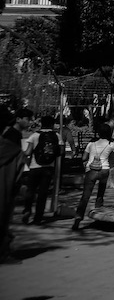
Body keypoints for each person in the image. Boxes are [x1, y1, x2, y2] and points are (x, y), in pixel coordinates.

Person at [0, 108, 33, 262]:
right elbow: (17, 167)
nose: (30, 122)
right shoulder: (12, 142)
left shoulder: (11, 137)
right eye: (27, 118)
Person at [21, 115, 62, 225]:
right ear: (52, 124)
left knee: (31, 190)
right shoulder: (57, 136)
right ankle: (38, 217)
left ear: (41, 124)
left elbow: (28, 152)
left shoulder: (34, 135)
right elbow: (61, 152)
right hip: (49, 168)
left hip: (34, 167)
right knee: (43, 193)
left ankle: (28, 210)